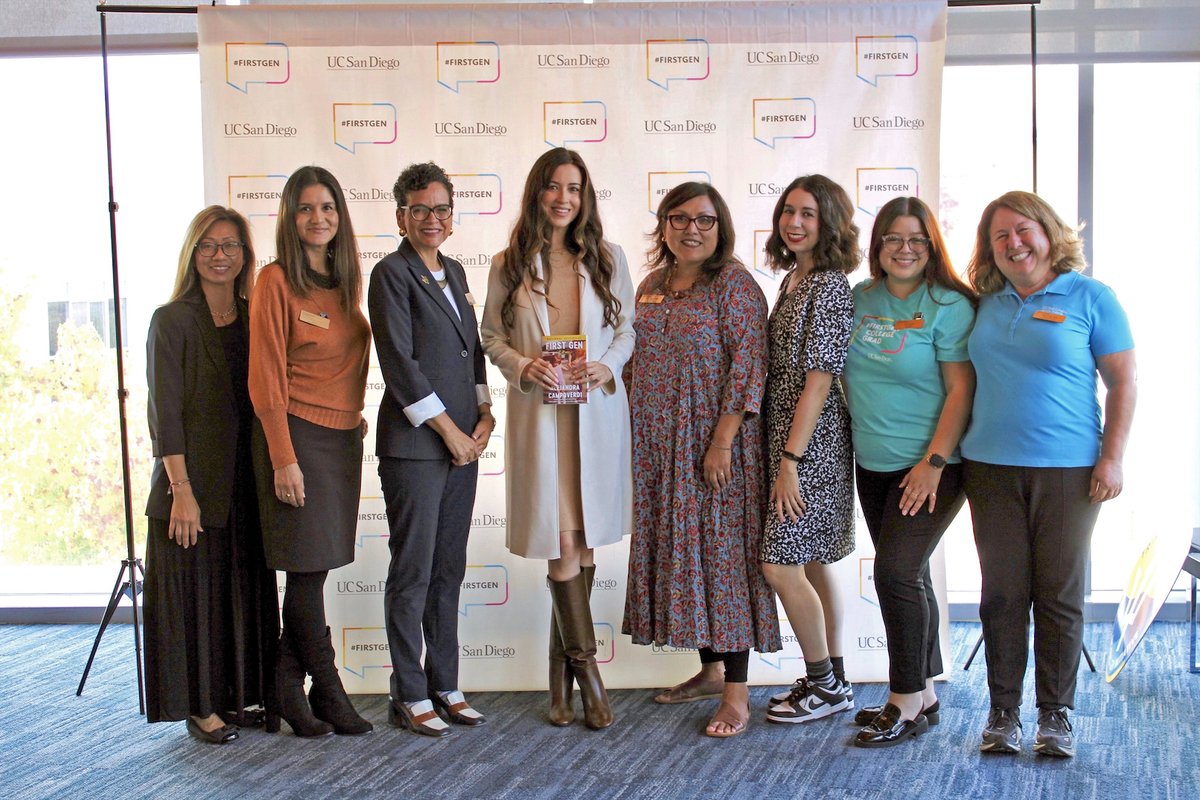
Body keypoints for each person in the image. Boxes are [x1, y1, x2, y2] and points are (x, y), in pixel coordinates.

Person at [962, 191, 1136, 758]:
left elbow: (1124, 383)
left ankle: (1055, 714)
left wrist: (1112, 458)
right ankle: (1003, 712)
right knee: (1002, 595)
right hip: (989, 468)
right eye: (1000, 236)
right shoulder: (983, 302)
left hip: (1070, 471)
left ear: (1048, 232)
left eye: (1023, 230)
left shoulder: (1092, 297)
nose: (1014, 244)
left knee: (1058, 595)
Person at [622, 181, 781, 739]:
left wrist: (721, 441)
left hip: (715, 447)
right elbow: (631, 360)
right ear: (663, 225)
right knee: (685, 555)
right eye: (680, 217)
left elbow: (749, 366)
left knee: (725, 561)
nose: (692, 228)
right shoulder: (650, 286)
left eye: (705, 220)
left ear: (721, 228)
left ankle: (737, 693)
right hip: (659, 450)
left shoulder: (734, 284)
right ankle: (710, 670)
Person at [481, 148, 633, 730]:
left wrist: (607, 365)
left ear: (584, 196)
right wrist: (524, 366)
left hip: (592, 418)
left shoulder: (607, 258)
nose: (563, 198)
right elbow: (491, 335)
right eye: (552, 187)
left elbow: (626, 330)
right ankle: (589, 676)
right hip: (541, 418)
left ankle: (558, 683)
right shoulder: (508, 264)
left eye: (573, 188)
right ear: (536, 193)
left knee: (583, 545)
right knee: (567, 543)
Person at [841, 197, 977, 747]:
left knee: (894, 573)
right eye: (893, 238)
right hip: (871, 463)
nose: (904, 248)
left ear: (931, 246)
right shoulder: (858, 299)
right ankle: (926, 695)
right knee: (911, 574)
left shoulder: (947, 305)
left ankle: (902, 698)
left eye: (916, 240)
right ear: (877, 245)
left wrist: (933, 463)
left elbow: (961, 390)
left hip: (932, 466)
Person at [143, 206, 278, 744]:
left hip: (247, 486)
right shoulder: (172, 319)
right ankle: (200, 708)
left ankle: (237, 697)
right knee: (196, 602)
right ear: (192, 253)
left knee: (240, 595)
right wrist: (182, 492)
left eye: (231, 246)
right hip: (191, 490)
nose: (220, 256)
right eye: (208, 245)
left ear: (246, 255)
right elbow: (164, 413)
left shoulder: (254, 318)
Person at [370, 162, 494, 738]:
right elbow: (400, 363)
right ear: (401, 215)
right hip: (418, 448)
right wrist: (449, 431)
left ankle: (446, 684)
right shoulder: (390, 274)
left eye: (441, 209)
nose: (432, 218)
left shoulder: (456, 270)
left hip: (465, 443)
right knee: (413, 570)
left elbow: (472, 352)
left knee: (449, 570)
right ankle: (409, 690)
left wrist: (486, 411)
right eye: (420, 209)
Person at [248, 166, 372, 738]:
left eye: (327, 207)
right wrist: (282, 456)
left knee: (313, 572)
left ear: (340, 216)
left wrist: (354, 422)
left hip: (341, 440)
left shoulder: (348, 281)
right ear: (289, 217)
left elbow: (345, 366)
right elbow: (265, 377)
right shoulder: (276, 281)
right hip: (294, 437)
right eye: (305, 208)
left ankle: (281, 692)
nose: (317, 218)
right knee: (304, 574)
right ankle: (326, 690)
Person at [759, 175, 858, 724]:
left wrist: (790, 463)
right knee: (812, 560)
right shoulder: (794, 279)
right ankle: (834, 676)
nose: (794, 223)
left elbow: (819, 380)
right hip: (789, 438)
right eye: (788, 212)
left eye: (809, 215)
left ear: (829, 224)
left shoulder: (829, 286)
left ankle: (823, 686)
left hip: (810, 444)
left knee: (779, 565)